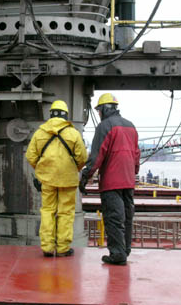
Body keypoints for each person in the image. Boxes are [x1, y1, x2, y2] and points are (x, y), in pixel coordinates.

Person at [79, 93, 140, 265]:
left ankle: (117, 254)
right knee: (127, 217)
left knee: (114, 217)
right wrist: (133, 171)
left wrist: (85, 176)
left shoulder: (105, 126)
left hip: (112, 182)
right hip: (128, 181)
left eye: (99, 110)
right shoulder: (131, 126)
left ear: (105, 109)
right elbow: (136, 154)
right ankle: (125, 250)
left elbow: (98, 155)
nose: (98, 114)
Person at [26, 100, 87, 257]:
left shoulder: (40, 133)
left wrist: (42, 170)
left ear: (51, 114)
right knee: (66, 212)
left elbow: (30, 155)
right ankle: (62, 248)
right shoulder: (73, 133)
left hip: (47, 179)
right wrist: (74, 169)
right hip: (68, 179)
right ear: (66, 115)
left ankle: (47, 247)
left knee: (47, 211)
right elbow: (82, 157)